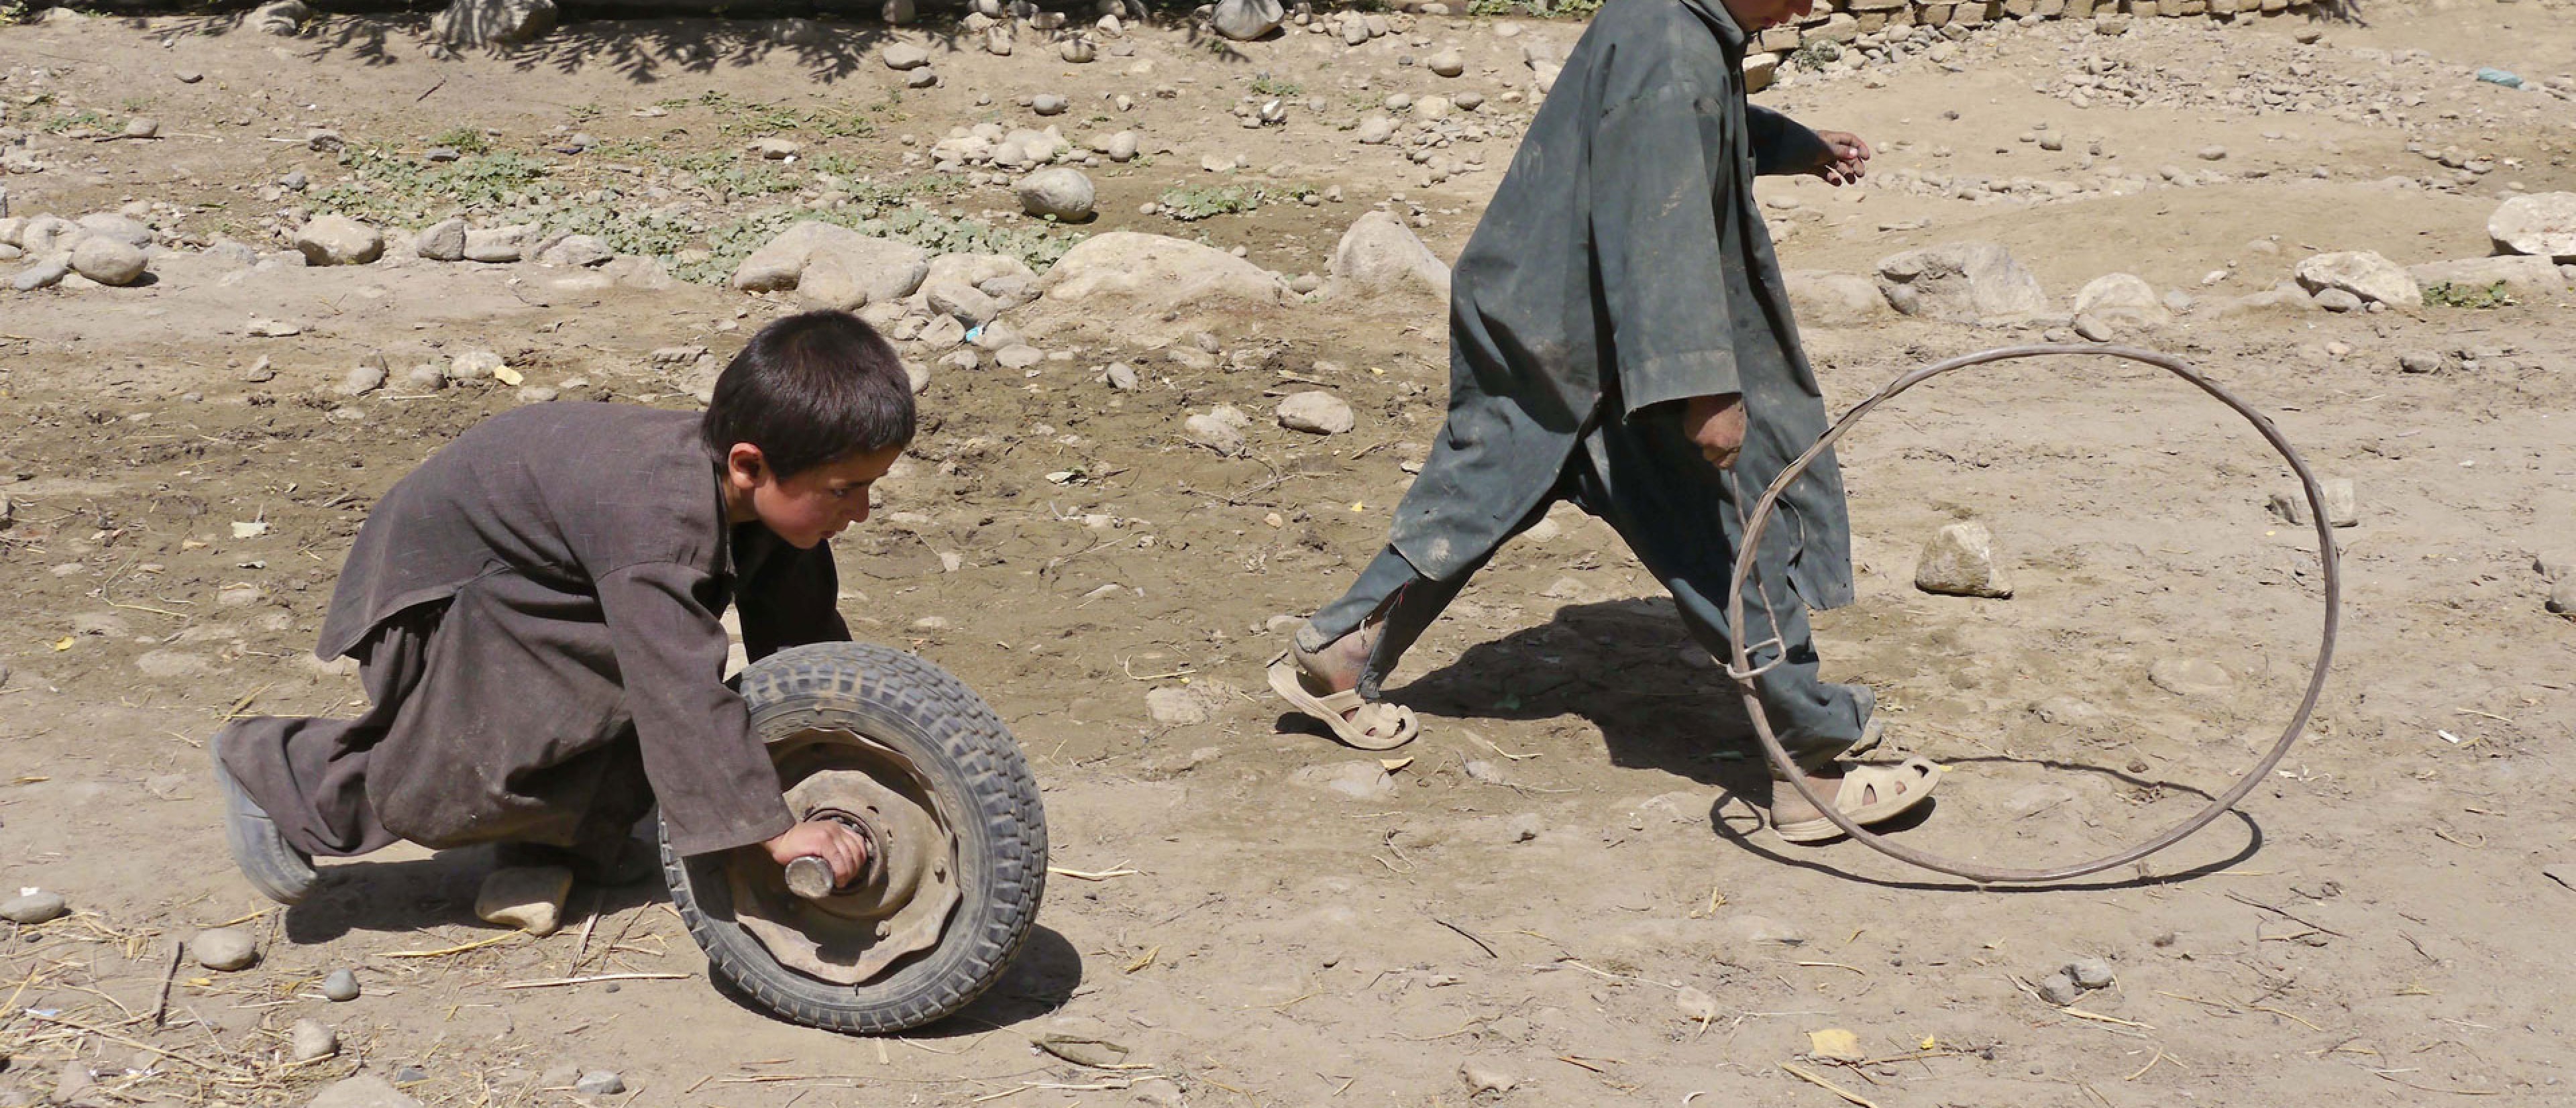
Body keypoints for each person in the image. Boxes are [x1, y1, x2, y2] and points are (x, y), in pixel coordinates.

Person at [1268, 0, 1943, 842]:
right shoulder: (1671, 48)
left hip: (1544, 316)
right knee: (1735, 529)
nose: (1807, 7)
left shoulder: (1666, 22)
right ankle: (1809, 765)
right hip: (1607, 347)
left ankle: (1341, 649)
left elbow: (1683, 135)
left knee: (1489, 489)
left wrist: (1792, 145)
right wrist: (1702, 387)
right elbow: (1660, 224)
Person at [211, 311, 896, 905]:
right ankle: (284, 775)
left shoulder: (761, 500)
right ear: (748, 466)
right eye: (845, 490)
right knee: (491, 754)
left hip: (545, 573)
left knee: (644, 671)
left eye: (870, 487)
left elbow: (804, 650)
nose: (862, 511)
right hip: (441, 594)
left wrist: (852, 747)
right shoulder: (658, 522)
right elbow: (678, 695)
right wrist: (773, 830)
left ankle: (565, 839)